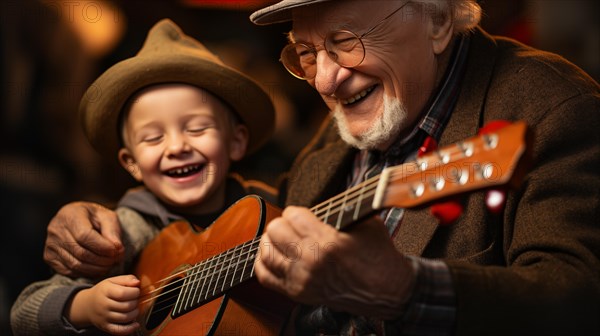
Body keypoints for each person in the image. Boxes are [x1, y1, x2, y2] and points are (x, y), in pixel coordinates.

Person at [39, 0, 600, 335]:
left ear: (434, 18)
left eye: (345, 41)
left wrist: (406, 288)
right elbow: (236, 234)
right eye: (306, 53)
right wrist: (100, 222)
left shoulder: (550, 106)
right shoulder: (341, 132)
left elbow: (579, 301)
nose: (326, 81)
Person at [10, 18, 276, 335]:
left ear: (236, 141)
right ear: (131, 163)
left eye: (197, 128)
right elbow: (22, 312)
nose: (177, 146)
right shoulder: (128, 228)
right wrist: (86, 304)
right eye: (152, 138)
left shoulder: (272, 208)